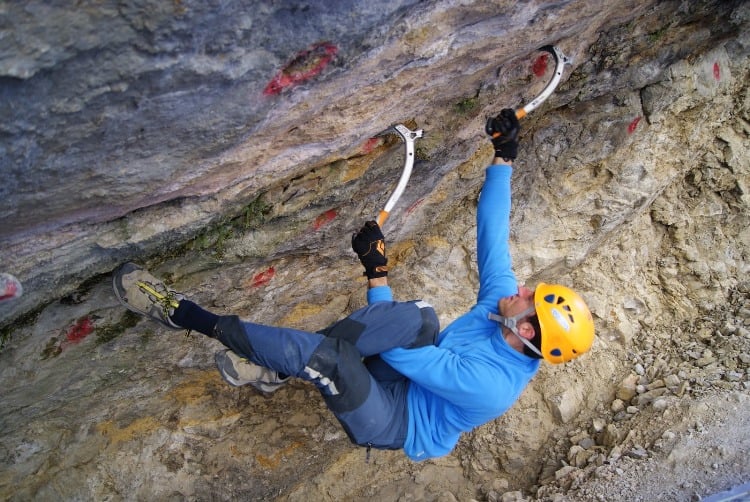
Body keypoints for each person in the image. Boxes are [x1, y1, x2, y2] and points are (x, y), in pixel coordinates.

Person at [113, 109, 595, 461]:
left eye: (532, 299)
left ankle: (184, 314)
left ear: (528, 331)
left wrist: (376, 282)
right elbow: (493, 235)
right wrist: (503, 156)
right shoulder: (502, 312)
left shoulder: (492, 388)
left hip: (392, 421)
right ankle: (275, 368)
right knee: (420, 315)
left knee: (337, 359)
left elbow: (392, 353)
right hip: (406, 378)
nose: (524, 289)